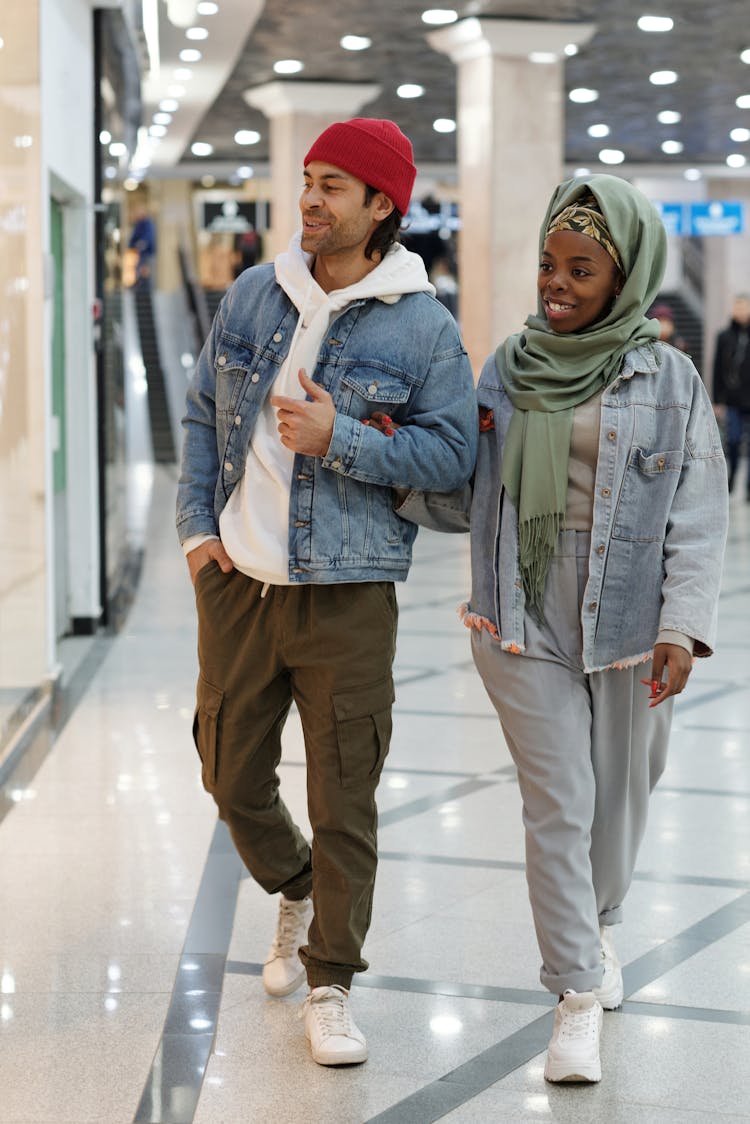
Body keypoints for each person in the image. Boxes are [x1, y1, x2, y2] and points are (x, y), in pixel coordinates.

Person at [393, 174, 727, 1084]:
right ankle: (575, 993)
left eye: (582, 269)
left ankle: (601, 924)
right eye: (550, 264)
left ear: (624, 279)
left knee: (621, 801)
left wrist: (683, 627)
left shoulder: (672, 377)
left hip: (630, 618)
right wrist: (387, 459)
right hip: (522, 605)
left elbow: (699, 514)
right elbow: (469, 491)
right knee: (561, 801)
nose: (558, 283)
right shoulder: (507, 364)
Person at [175, 118, 477, 1067]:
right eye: (308, 180)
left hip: (348, 593)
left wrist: (341, 435)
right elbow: (199, 414)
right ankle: (295, 885)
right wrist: (195, 533)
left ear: (382, 206)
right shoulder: (257, 293)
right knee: (227, 773)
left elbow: (454, 461)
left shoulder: (422, 324)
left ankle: (331, 980)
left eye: (334, 185)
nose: (310, 199)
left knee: (347, 792)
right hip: (239, 583)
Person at [712, 293, 750, 497]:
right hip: (733, 399)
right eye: (738, 306)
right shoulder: (724, 336)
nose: (741, 310)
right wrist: (718, 400)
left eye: (744, 306)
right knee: (733, 440)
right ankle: (732, 477)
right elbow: (717, 368)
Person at [128, 206, 156, 282]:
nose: (137, 214)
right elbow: (133, 239)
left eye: (138, 212)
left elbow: (147, 238)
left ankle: (146, 292)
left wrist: (141, 244)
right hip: (138, 254)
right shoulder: (138, 224)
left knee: (145, 275)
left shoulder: (147, 223)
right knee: (139, 274)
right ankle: (140, 292)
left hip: (146, 254)